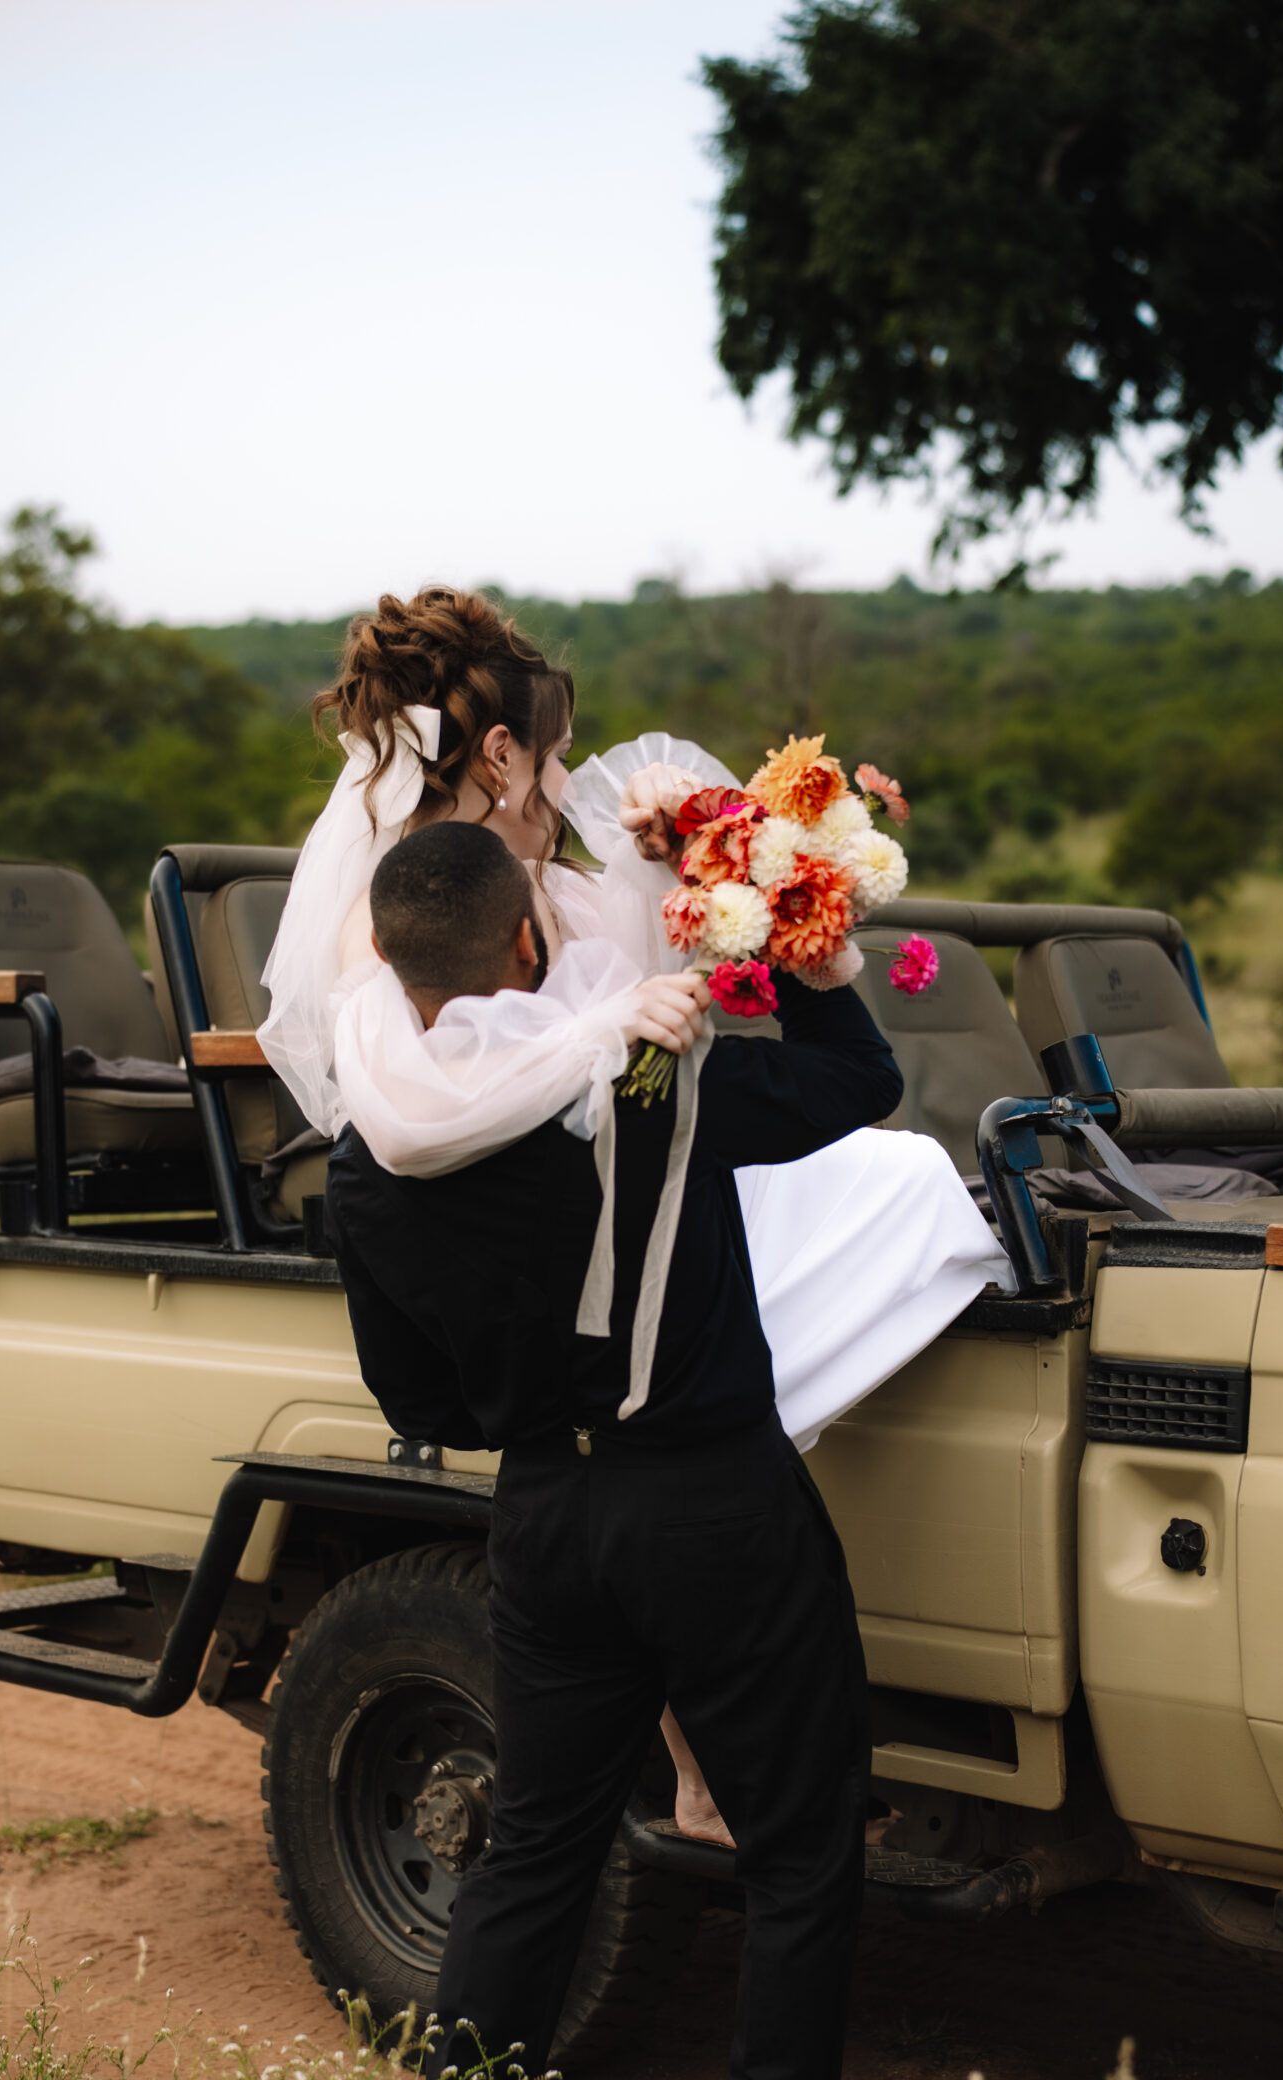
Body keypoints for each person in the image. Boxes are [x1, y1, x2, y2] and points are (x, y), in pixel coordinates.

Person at [261, 585, 1010, 1842]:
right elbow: (409, 1115)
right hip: (516, 1227)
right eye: (554, 755)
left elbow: (659, 983)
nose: (570, 779)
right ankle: (725, 1752)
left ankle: (715, 1742)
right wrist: (606, 1040)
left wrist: (718, 863)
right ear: (499, 753)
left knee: (881, 1176)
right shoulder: (402, 908)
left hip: (623, 1170)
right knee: (755, 1279)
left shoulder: (535, 880)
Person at [326, 819, 908, 2080]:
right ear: (528, 942)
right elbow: (858, 1084)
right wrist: (826, 967)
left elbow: (418, 1403)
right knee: (794, 1858)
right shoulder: (646, 1074)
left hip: (544, 1519)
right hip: (710, 1502)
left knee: (531, 1862)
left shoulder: (368, 1150)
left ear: (384, 966)